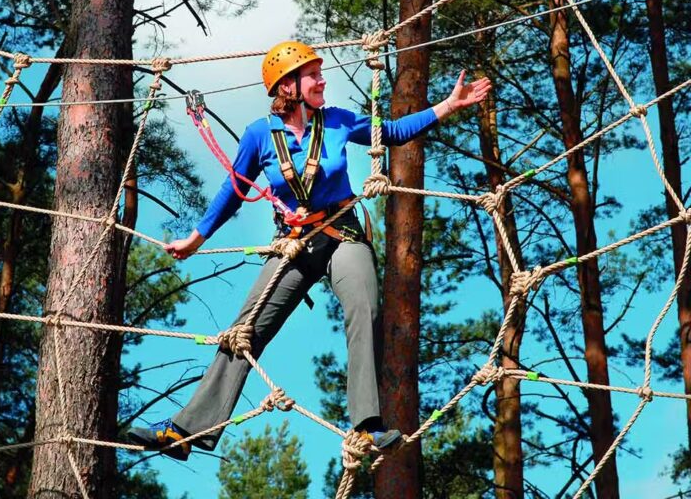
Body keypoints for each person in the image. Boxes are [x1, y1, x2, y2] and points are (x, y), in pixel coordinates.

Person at [127, 41, 491, 460]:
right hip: (296, 242)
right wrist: (197, 237)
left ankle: (367, 426)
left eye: (320, 73)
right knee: (246, 331)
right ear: (288, 86)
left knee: (365, 308)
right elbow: (234, 189)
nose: (322, 80)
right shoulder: (260, 135)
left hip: (342, 234)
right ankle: (186, 431)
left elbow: (389, 132)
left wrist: (446, 106)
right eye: (313, 75)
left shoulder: (337, 122)